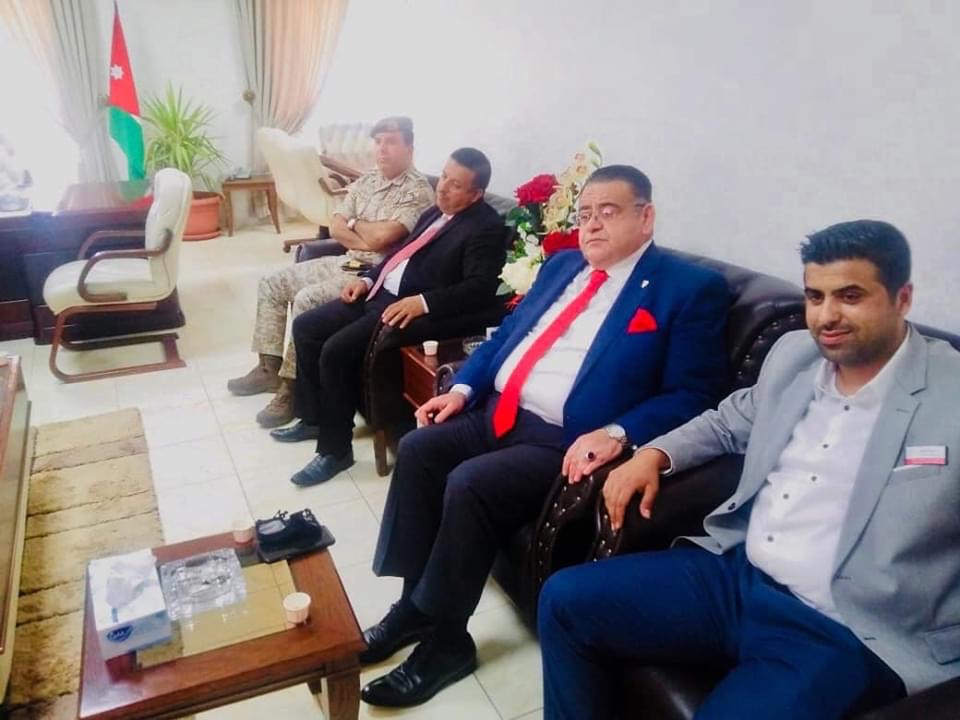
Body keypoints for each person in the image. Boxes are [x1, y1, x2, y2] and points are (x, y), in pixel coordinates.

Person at [537, 220, 960, 720]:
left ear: (902, 298)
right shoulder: (795, 355)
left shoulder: (949, 394)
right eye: (815, 296)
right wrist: (653, 454)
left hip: (844, 628)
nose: (827, 316)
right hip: (739, 579)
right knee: (564, 600)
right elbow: (725, 422)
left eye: (850, 296)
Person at [359, 165, 733, 708]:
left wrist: (620, 432)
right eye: (585, 214)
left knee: (471, 484)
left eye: (608, 212)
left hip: (565, 438)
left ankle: (447, 642)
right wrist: (461, 389)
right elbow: (505, 336)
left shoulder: (689, 290)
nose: (592, 225)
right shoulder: (561, 266)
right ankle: (413, 606)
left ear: (646, 217)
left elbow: (695, 392)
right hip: (498, 411)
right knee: (418, 449)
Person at [270, 147, 508, 485]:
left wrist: (422, 302)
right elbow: (399, 254)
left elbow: (480, 288)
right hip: (377, 292)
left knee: (335, 351)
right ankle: (313, 418)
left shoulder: (486, 227)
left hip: (402, 308)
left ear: (476, 194)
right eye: (443, 177)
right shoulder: (435, 211)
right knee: (306, 326)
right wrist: (367, 280)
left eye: (455, 185)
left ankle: (336, 451)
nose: (442, 187)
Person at [227, 116, 434, 428]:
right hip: (347, 260)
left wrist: (355, 225)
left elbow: (382, 239)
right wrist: (363, 233)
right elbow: (336, 225)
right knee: (272, 282)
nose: (382, 149)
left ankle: (291, 388)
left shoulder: (416, 191)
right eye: (378, 142)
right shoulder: (368, 179)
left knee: (306, 299)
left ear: (410, 147)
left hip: (373, 276)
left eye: (391, 142)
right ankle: (269, 368)